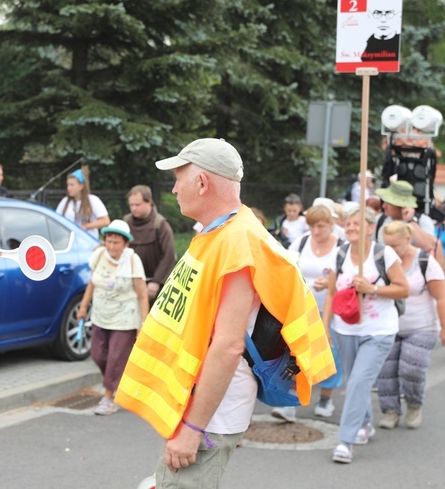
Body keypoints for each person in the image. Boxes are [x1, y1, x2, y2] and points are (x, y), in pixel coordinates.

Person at [114, 138, 334, 488]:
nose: (172, 189)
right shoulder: (225, 233)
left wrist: (192, 429)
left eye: (178, 178)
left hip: (209, 417)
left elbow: (228, 346)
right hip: (204, 406)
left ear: (202, 183)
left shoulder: (235, 241)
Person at [322, 207, 409, 464]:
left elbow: (403, 289)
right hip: (345, 329)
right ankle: (366, 423)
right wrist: (325, 326)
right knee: (354, 382)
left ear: (371, 228)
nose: (351, 228)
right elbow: (330, 293)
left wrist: (372, 288)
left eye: (357, 224)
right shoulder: (340, 253)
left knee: (359, 381)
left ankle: (345, 442)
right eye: (348, 224)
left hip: (379, 331)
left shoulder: (384, 253)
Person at [376, 221, 445, 430]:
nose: (389, 250)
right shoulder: (382, 260)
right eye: (386, 245)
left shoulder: (424, 261)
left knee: (412, 367)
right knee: (386, 370)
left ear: (407, 240)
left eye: (395, 246)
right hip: (388, 325)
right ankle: (390, 410)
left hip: (422, 326)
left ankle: (413, 404)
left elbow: (442, 297)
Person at [271, 205, 344, 422]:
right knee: (297, 352)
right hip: (301, 308)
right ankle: (291, 401)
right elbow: (287, 269)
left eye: (320, 226)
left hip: (330, 309)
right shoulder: (301, 242)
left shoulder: (342, 248)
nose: (315, 231)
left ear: (331, 225)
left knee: (330, 354)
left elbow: (348, 280)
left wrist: (332, 284)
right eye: (311, 226)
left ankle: (325, 398)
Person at [76, 219, 149, 416]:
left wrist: (144, 322)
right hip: (100, 316)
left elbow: (142, 294)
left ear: (126, 244)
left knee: (115, 358)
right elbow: (92, 283)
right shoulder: (99, 255)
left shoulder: (132, 260)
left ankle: (108, 398)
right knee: (98, 355)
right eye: (108, 241)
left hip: (125, 319)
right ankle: (119, 382)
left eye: (116, 242)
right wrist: (83, 307)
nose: (111, 246)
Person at [123, 185, 176, 302]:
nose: (133, 208)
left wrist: (156, 281)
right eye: (131, 205)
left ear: (149, 202)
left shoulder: (160, 225)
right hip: (129, 284)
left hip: (153, 288)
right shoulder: (126, 222)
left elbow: (169, 255)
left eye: (137, 205)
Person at [375, 180, 437, 252]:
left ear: (401, 205)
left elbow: (428, 246)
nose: (383, 206)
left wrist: (411, 221)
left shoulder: (422, 220)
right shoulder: (379, 219)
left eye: (388, 203)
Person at [56, 166, 110, 239]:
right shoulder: (65, 201)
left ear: (81, 186)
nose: (68, 188)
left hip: (88, 242)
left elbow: (105, 221)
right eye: (68, 185)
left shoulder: (93, 200)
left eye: (72, 185)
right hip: (68, 241)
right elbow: (56, 220)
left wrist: (85, 226)